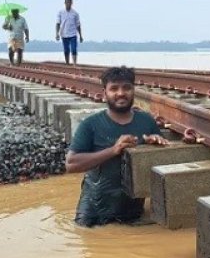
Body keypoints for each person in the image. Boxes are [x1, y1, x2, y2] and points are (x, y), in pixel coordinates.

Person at [65, 66, 168, 227]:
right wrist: (113, 150)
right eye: (114, 88)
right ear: (105, 93)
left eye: (126, 87)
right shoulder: (90, 124)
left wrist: (154, 147)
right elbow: (71, 164)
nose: (121, 93)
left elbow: (163, 168)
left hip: (132, 211)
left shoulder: (147, 122)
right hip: (93, 211)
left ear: (134, 91)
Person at [55, 0, 83, 65]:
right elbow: (58, 23)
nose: (68, 4)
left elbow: (78, 25)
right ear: (64, 3)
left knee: (74, 49)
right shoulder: (61, 12)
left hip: (73, 34)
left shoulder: (75, 13)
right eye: (67, 2)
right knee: (66, 50)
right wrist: (57, 33)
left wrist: (80, 35)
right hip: (64, 34)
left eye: (69, 3)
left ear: (71, 3)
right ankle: (67, 63)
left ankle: (74, 64)